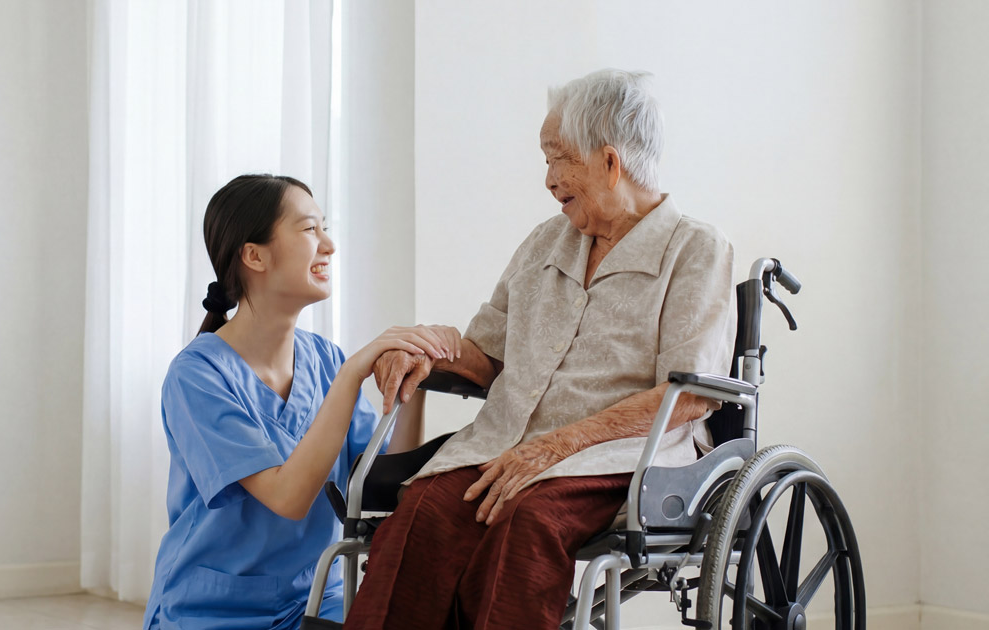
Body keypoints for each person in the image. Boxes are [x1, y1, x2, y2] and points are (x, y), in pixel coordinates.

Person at [330, 69, 736, 630]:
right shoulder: (546, 242)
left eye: (558, 158)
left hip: (623, 458)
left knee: (526, 524)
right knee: (420, 511)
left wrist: (557, 448)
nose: (548, 179)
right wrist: (428, 350)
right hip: (505, 446)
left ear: (610, 162)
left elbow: (689, 396)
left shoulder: (695, 249)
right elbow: (486, 355)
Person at [142, 174, 460, 630]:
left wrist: (413, 379)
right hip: (213, 608)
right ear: (254, 255)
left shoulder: (323, 359)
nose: (328, 244)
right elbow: (286, 497)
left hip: (316, 597)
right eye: (310, 229)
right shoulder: (197, 375)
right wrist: (353, 374)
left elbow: (384, 480)